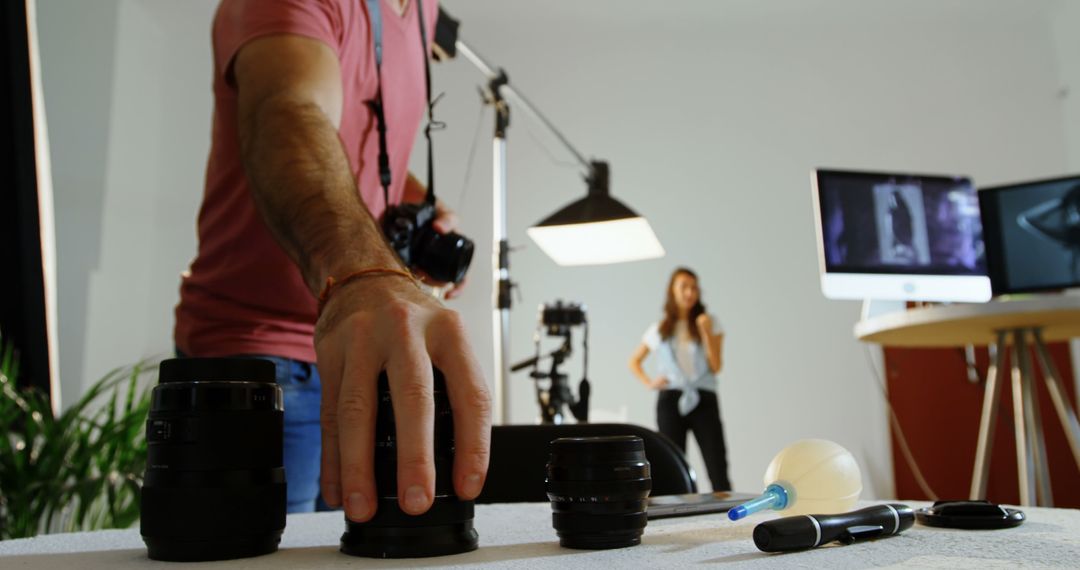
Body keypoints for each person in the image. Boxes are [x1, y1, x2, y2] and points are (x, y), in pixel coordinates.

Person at [173, 0, 491, 518]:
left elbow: (359, 146)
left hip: (361, 352)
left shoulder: (423, 13)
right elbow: (290, 114)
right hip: (259, 356)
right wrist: (371, 274)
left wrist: (416, 208)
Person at [628, 267, 731, 492]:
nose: (689, 293)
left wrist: (705, 332)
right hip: (671, 400)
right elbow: (634, 361)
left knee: (717, 465)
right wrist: (650, 383)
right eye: (683, 287)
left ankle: (726, 516)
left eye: (694, 287)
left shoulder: (710, 322)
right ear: (672, 291)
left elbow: (716, 366)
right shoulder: (660, 329)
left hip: (703, 397)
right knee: (672, 465)